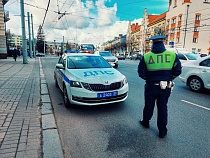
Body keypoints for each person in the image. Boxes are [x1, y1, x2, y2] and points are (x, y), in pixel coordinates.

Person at [137, 35, 182, 138]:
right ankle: (162, 131)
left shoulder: (147, 56)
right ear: (162, 42)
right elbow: (178, 71)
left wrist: (149, 79)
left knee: (149, 105)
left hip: (151, 86)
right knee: (162, 107)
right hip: (166, 86)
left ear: (153, 43)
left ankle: (145, 122)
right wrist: (169, 78)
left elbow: (141, 72)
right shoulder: (172, 55)